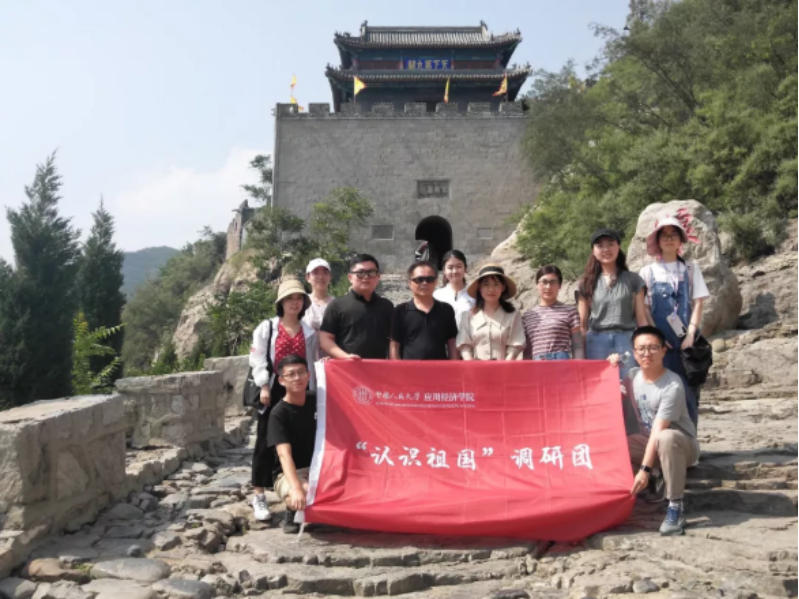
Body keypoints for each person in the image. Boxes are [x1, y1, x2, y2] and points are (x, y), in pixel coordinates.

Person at [610, 326, 699, 536]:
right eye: (641, 349)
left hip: (680, 445)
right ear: (634, 353)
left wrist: (644, 470)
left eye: (652, 348)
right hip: (648, 442)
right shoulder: (632, 376)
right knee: (614, 444)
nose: (646, 353)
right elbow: (610, 393)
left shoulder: (672, 385)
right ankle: (652, 481)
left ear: (663, 351)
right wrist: (609, 368)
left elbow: (659, 431)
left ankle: (675, 505)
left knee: (666, 438)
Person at [249, 278, 319, 522]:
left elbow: (312, 362)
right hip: (273, 389)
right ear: (281, 302)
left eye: (299, 298)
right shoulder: (267, 328)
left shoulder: (308, 332)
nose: (294, 303)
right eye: (289, 298)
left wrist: (313, 390)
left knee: (299, 438)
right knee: (264, 441)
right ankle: (259, 494)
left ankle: (293, 485)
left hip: (299, 389)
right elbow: (257, 358)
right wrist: (264, 385)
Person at [639, 216, 709, 426]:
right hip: (660, 345)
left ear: (681, 240)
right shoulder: (648, 272)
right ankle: (661, 440)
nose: (669, 239)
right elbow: (644, 308)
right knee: (659, 392)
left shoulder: (690, 268)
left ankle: (689, 441)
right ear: (657, 240)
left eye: (674, 234)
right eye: (664, 235)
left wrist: (690, 335)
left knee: (688, 393)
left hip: (687, 344)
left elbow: (698, 303)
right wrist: (656, 338)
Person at [578, 229, 649, 379]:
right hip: (595, 341)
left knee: (629, 384)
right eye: (600, 245)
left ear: (618, 246)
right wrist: (580, 354)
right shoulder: (585, 283)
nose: (606, 249)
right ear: (593, 250)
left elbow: (641, 318)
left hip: (627, 339)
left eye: (610, 244)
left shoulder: (634, 280)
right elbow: (582, 324)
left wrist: (646, 345)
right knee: (599, 385)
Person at [267, 355, 318, 535]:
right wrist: (296, 488)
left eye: (301, 372)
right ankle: (291, 508)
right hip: (289, 472)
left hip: (320, 467)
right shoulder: (278, 414)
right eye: (291, 374)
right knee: (307, 492)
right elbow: (284, 455)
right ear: (281, 380)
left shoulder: (318, 400)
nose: (297, 378)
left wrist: (330, 367)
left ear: (308, 375)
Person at [320, 254, 394, 360]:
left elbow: (393, 340)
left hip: (379, 367)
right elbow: (325, 339)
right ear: (350, 277)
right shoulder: (337, 305)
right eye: (360, 273)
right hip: (347, 366)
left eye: (371, 273)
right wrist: (345, 357)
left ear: (378, 277)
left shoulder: (386, 306)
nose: (366, 277)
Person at [391, 261, 459, 361]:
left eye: (429, 279)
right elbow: (394, 344)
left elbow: (452, 342)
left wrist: (454, 366)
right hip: (409, 369)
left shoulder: (446, 309)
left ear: (436, 282)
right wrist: (395, 367)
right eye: (419, 279)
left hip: (440, 369)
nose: (424, 283)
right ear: (410, 283)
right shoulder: (401, 311)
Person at [457, 264, 526, 361]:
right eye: (486, 284)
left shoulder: (513, 315)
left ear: (503, 287)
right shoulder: (468, 316)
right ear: (479, 288)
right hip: (475, 368)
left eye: (496, 284)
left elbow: (515, 345)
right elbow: (465, 347)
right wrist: (471, 365)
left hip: (505, 368)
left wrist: (505, 366)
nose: (491, 289)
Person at [523, 265, 585, 361]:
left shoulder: (569, 311)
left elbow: (577, 345)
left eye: (553, 282)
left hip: (561, 364)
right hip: (537, 365)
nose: (548, 287)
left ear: (559, 285)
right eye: (544, 282)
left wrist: (578, 366)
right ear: (537, 285)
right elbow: (527, 351)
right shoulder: (528, 315)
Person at [433, 250, 476, 328]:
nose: (455, 271)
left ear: (465, 268)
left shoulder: (475, 293)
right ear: (444, 270)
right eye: (450, 267)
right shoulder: (437, 296)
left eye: (459, 266)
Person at [303, 258, 335, 333]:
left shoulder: (337, 304)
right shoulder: (301, 303)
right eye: (315, 273)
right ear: (308, 278)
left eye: (325, 273)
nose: (321, 277)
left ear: (330, 276)